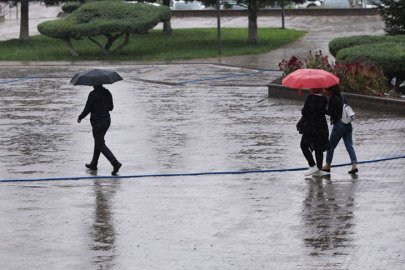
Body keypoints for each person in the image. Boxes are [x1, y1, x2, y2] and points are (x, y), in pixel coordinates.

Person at [77, 85, 122, 175]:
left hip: (97, 123)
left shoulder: (92, 94)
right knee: (98, 141)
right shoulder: (107, 92)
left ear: (95, 84)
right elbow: (111, 108)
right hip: (106, 122)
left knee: (100, 144)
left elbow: (87, 109)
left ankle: (115, 163)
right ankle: (94, 163)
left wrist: (80, 117)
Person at [322, 84, 358, 174]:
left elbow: (331, 113)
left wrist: (323, 110)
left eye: (326, 89)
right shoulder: (342, 96)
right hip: (348, 125)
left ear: (330, 90)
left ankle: (327, 165)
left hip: (339, 125)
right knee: (349, 145)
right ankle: (354, 165)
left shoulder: (332, 99)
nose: (324, 91)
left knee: (331, 146)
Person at [300, 88, 330, 176]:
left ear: (313, 89)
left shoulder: (310, 98)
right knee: (318, 147)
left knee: (304, 145)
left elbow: (305, 112)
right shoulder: (323, 98)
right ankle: (319, 168)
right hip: (322, 126)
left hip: (311, 127)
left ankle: (312, 165)